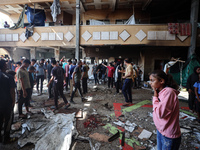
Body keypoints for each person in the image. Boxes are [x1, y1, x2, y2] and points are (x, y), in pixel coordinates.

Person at [149, 70, 181, 150]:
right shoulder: (162, 92)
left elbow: (160, 113)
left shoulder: (168, 93)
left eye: (152, 80)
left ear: (161, 81)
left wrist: (155, 97)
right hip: (161, 130)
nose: (150, 83)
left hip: (169, 134)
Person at [0, 59, 16, 144]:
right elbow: (12, 90)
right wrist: (13, 101)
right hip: (7, 102)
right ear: (4, 66)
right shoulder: (9, 77)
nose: (7, 65)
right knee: (8, 120)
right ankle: (6, 138)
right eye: (6, 64)